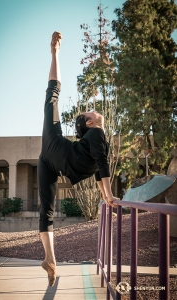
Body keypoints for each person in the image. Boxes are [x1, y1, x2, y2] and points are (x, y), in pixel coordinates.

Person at [39, 32, 120, 286]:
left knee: (47, 212)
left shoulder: (94, 137)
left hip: (50, 156)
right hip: (57, 148)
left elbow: (99, 168)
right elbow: (102, 166)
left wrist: (107, 195)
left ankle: (50, 258)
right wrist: (108, 195)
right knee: (52, 94)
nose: (95, 111)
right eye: (91, 111)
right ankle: (54, 52)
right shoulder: (97, 134)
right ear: (90, 122)